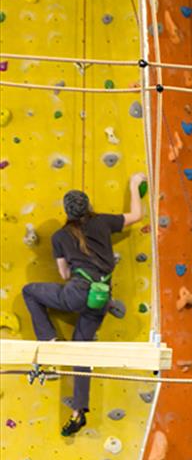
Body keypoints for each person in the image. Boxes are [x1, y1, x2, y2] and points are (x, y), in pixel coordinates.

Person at [22, 173, 145, 435]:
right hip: (99, 297)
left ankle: (50, 340)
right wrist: (134, 184)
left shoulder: (60, 236)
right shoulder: (102, 223)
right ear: (88, 206)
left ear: (66, 211)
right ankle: (78, 412)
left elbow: (65, 275)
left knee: (29, 292)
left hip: (77, 292)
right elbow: (136, 216)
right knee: (82, 353)